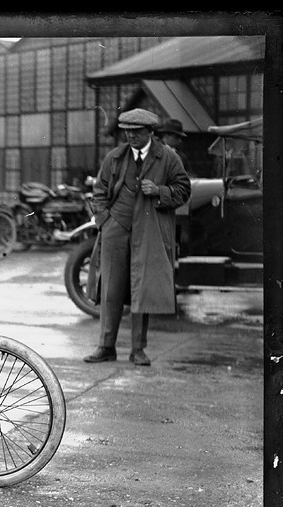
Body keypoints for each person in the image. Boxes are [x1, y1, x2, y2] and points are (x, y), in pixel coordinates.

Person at [83, 108, 191, 367]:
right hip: (115, 229)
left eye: (137, 132)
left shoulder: (167, 157)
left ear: (150, 132)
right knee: (111, 289)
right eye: (127, 131)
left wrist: (160, 191)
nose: (131, 136)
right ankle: (106, 347)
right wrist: (104, 221)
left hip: (150, 230)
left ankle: (138, 350)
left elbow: (184, 189)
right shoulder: (115, 157)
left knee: (141, 289)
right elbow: (98, 191)